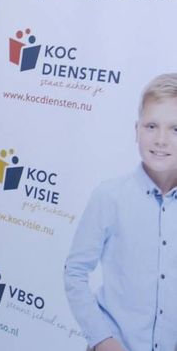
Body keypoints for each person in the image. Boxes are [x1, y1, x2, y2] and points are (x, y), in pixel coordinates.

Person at [63, 73, 177, 351]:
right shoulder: (109, 197)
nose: (161, 139)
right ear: (136, 129)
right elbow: (75, 272)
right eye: (151, 126)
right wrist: (102, 339)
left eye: (176, 129)